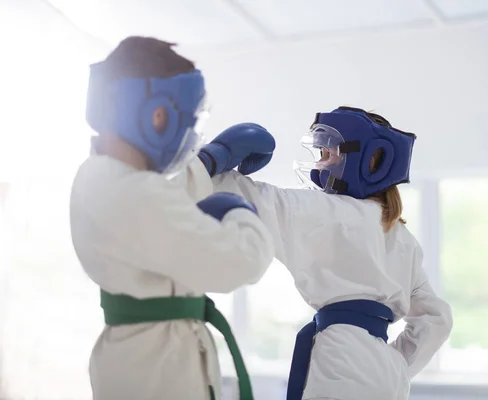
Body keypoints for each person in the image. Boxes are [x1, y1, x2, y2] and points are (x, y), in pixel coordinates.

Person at [70, 36, 276, 400]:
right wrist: (240, 214)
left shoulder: (100, 178)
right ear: (157, 115)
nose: (188, 134)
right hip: (158, 370)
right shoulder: (132, 194)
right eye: (186, 120)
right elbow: (240, 262)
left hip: (139, 358)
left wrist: (211, 159)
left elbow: (160, 203)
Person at [211, 106, 453, 400]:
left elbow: (246, 197)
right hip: (386, 372)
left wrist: (211, 158)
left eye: (327, 155)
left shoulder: (325, 212)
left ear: (368, 162)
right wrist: (396, 365)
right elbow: (437, 319)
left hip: (342, 359)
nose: (318, 166)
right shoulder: (403, 238)